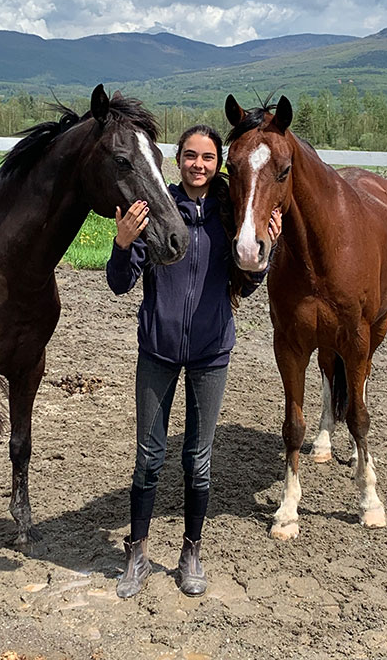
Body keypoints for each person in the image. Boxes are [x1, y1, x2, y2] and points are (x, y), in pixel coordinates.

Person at [106, 124, 281, 598]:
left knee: (198, 461)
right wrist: (123, 244)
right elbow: (120, 283)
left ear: (217, 163)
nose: (198, 165)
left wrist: (264, 257)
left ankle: (191, 553)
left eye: (207, 157)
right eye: (190, 155)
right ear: (177, 159)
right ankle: (137, 553)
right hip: (157, 351)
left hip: (211, 354)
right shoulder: (156, 209)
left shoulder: (229, 214)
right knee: (148, 458)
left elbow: (245, 285)